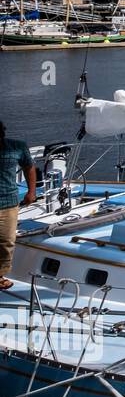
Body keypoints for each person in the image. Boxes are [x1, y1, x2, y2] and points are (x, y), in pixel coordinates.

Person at [0, 120, 37, 289]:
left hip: (8, 202)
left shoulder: (18, 146)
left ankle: (0, 275)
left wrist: (31, 192)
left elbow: (29, 167)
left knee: (7, 241)